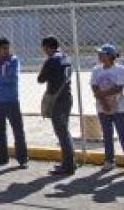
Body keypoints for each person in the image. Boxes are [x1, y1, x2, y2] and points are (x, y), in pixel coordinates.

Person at [91, 43, 124, 172]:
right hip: (102, 108)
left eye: (102, 54)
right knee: (107, 135)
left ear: (110, 56)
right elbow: (94, 85)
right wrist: (103, 101)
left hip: (119, 108)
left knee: (123, 135)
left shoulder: (120, 69)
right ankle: (109, 160)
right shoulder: (96, 69)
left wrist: (100, 95)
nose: (99, 56)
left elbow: (119, 87)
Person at [0, 38, 28, 168]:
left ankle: (22, 158)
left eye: (8, 48)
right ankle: (2, 157)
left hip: (11, 100)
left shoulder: (13, 60)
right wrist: (2, 77)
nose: (7, 51)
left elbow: (12, 77)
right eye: (4, 48)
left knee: (18, 130)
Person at [38, 35, 75, 176]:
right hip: (67, 96)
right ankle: (70, 162)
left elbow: (41, 79)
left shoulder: (52, 60)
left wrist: (45, 65)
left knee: (62, 132)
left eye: (44, 49)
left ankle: (67, 166)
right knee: (65, 130)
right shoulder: (66, 57)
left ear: (47, 47)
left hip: (57, 99)